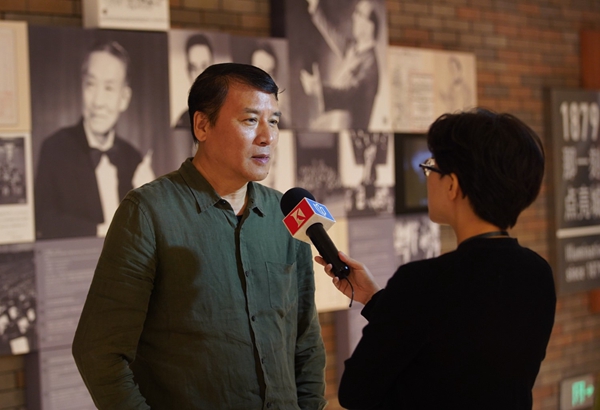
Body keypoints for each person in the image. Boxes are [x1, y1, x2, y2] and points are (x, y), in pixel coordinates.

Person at [72, 63, 327, 410]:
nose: (267, 136)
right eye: (250, 120)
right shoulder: (148, 213)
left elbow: (305, 340)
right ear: (202, 125)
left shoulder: (285, 214)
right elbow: (98, 351)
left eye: (274, 121)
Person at [317, 108, 556, 409]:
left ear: (452, 186)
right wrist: (378, 301)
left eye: (432, 167)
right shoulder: (537, 273)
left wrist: (393, 305)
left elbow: (355, 391)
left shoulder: (423, 282)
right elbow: (458, 356)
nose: (427, 177)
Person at [34, 41, 154, 240]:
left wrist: (151, 200)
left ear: (124, 98)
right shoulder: (54, 148)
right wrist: (102, 232)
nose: (98, 102)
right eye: (90, 85)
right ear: (82, 87)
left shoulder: (133, 158)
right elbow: (43, 221)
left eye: (109, 88)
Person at [300, 0, 380, 130]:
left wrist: (318, 88)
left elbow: (348, 96)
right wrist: (316, 9)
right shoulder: (354, 49)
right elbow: (332, 35)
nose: (353, 17)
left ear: (369, 26)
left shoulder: (370, 66)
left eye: (359, 14)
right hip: (339, 127)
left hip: (350, 133)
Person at [173, 33, 214, 133]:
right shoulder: (183, 121)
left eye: (204, 66)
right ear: (188, 72)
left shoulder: (229, 114)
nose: (199, 75)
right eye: (194, 68)